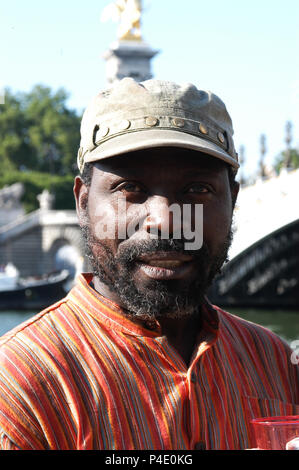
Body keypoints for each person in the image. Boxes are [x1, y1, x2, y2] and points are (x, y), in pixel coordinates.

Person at [0, 78, 298, 450]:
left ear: (232, 202)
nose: (165, 219)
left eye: (197, 190)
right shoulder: (17, 387)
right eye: (130, 188)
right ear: (83, 202)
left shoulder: (277, 363)